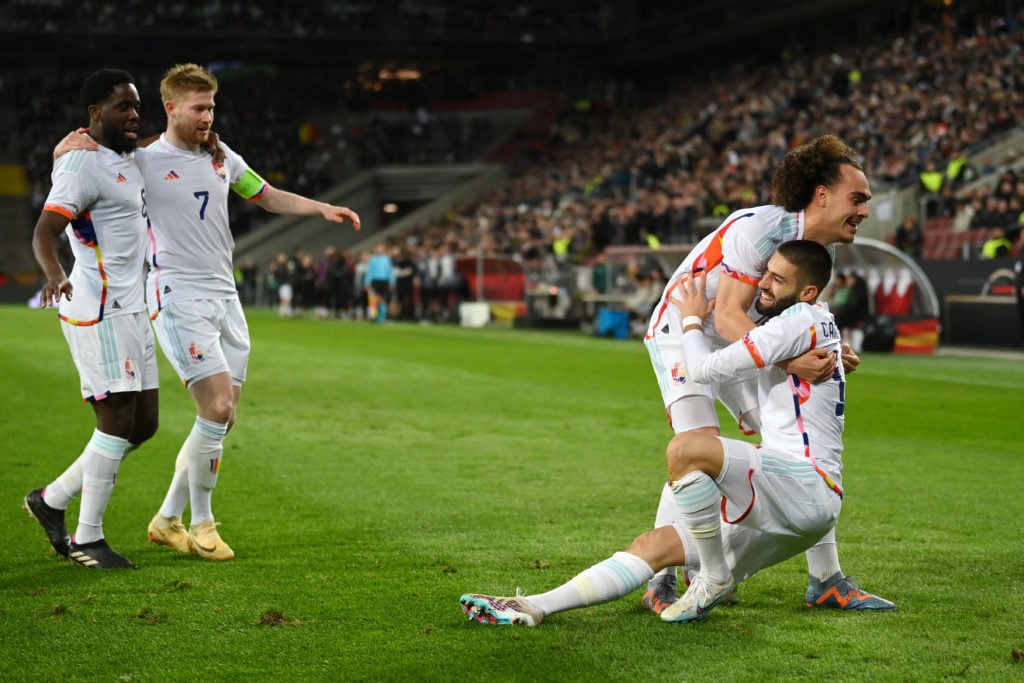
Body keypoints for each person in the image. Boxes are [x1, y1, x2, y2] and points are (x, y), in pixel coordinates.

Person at [462, 241, 883, 625]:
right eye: (766, 272)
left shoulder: (796, 321)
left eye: (778, 278)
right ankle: (535, 605)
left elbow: (701, 369)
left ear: (807, 292)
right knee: (654, 544)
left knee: (687, 450)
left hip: (805, 486)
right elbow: (778, 355)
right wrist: (797, 361)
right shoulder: (818, 320)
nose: (763, 284)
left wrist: (692, 321)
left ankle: (713, 576)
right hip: (795, 507)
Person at [56, 63, 361, 561]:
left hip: (225, 296)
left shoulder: (222, 159)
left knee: (222, 419)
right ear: (171, 107)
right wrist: (63, 148)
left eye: (212, 108)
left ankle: (165, 517)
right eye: (198, 108)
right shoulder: (143, 160)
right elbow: (89, 161)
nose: (207, 116)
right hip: (176, 294)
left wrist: (321, 208)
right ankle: (202, 523)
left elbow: (264, 195)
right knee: (216, 409)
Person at [641, 134, 894, 613]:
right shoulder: (759, 228)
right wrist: (790, 362)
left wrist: (834, 350)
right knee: (698, 441)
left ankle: (826, 580)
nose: (863, 210)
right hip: (685, 327)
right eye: (856, 198)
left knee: (790, 438)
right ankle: (661, 578)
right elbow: (726, 315)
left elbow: (794, 324)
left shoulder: (821, 252)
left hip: (742, 343)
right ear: (822, 195)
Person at [23, 68, 158, 570]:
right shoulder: (80, 164)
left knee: (144, 424)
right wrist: (55, 274)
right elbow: (43, 231)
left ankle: (51, 499)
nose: (134, 114)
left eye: (137, 106)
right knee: (116, 419)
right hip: (98, 308)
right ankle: (88, 537)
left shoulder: (124, 158)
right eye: (123, 106)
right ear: (95, 113)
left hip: (133, 306)